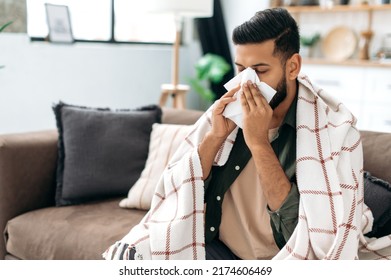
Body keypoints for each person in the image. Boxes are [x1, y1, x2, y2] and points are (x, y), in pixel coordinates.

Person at [104, 8, 391, 260]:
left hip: (280, 258)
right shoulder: (227, 109)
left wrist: (258, 142)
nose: (246, 82)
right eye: (240, 69)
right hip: (216, 248)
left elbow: (311, 239)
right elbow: (180, 193)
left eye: (260, 70)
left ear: (293, 67)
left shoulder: (336, 133)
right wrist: (215, 137)